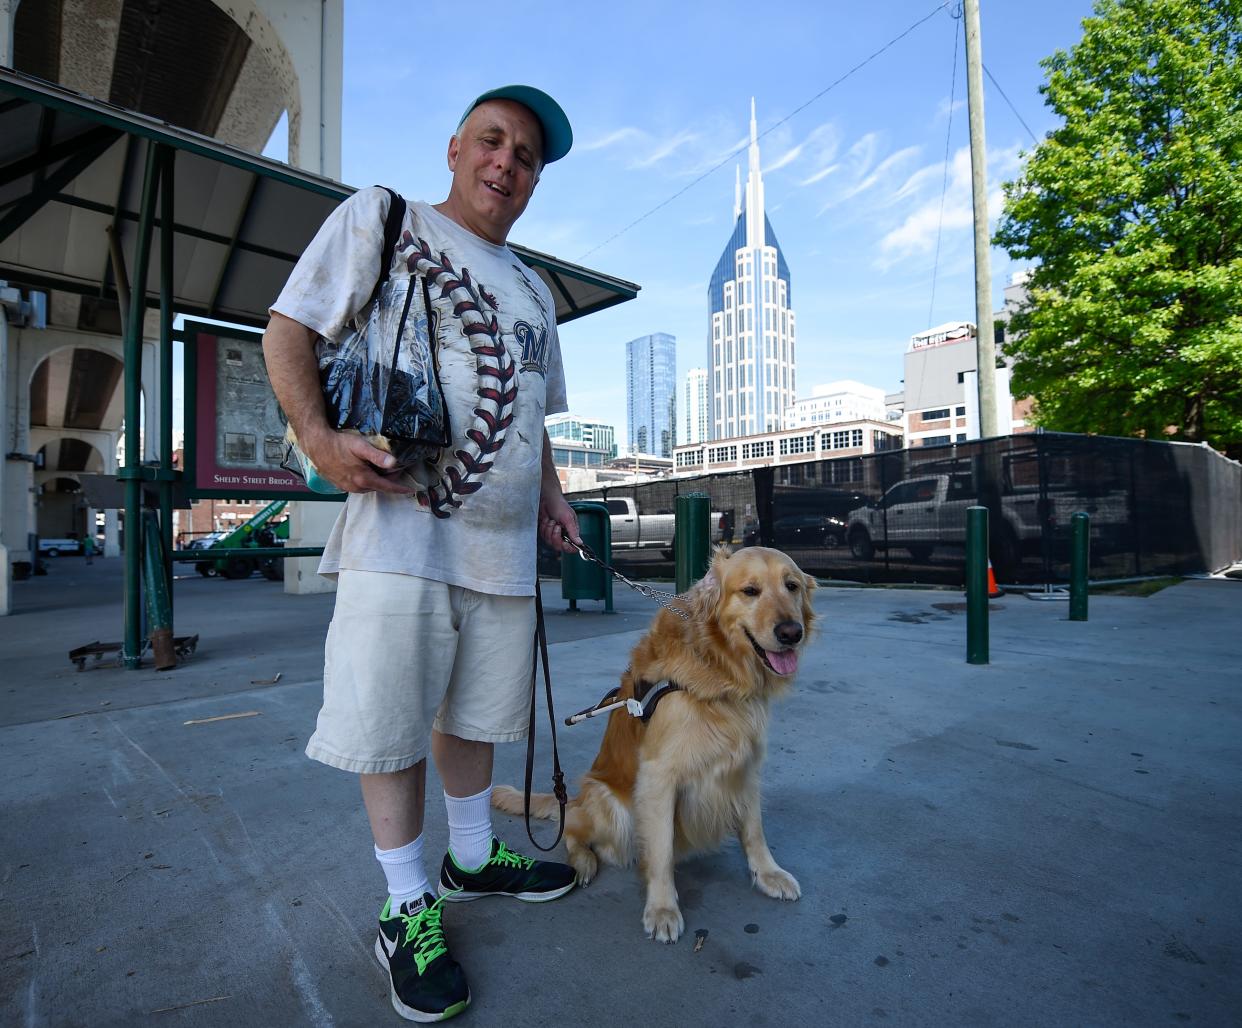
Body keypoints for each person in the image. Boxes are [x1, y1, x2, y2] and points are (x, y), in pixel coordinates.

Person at [262, 85, 583, 1023]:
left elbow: (533, 413)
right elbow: (290, 328)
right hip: (403, 527)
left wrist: (553, 497)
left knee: (476, 715)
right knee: (392, 720)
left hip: (501, 551)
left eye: (526, 156)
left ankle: (475, 858)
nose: (506, 164)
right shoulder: (385, 218)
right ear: (454, 148)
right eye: (493, 141)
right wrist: (319, 440)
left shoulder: (533, 288)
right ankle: (408, 907)